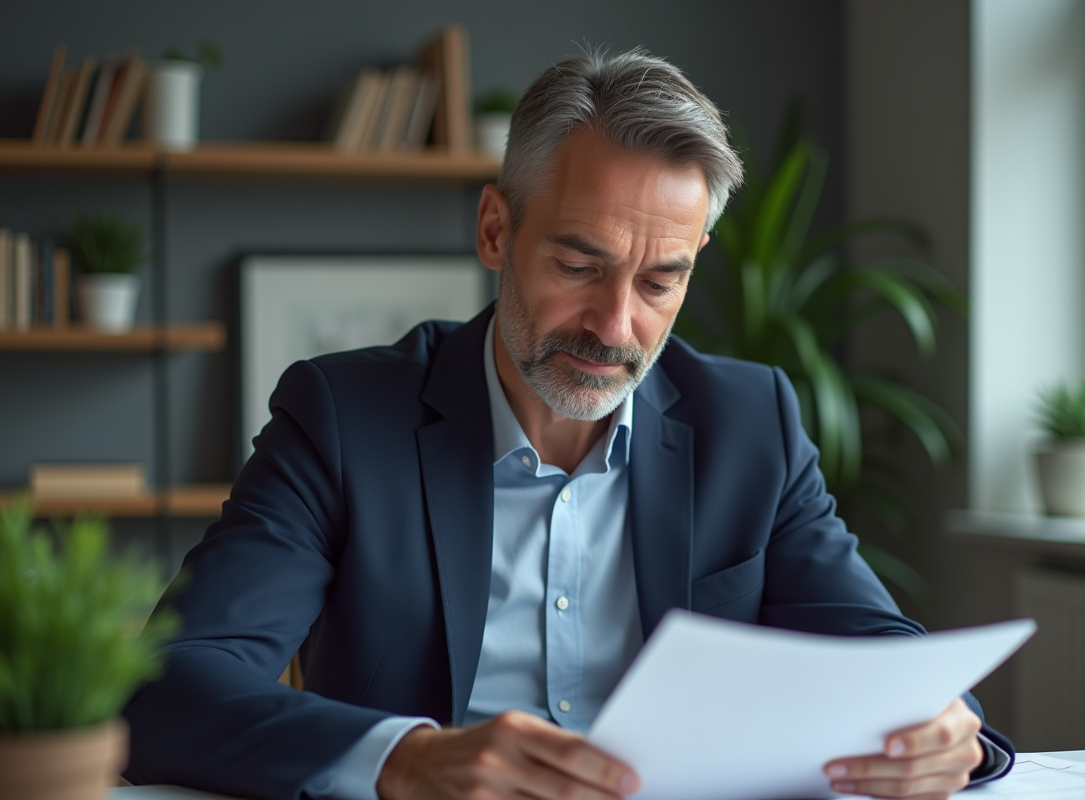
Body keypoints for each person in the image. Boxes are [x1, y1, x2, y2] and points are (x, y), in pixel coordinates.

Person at [123, 48, 1014, 800]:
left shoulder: (753, 422)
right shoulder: (343, 419)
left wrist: (948, 731)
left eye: (659, 281)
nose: (615, 325)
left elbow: (884, 655)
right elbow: (171, 684)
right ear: (495, 230)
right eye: (580, 264)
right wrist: (409, 758)